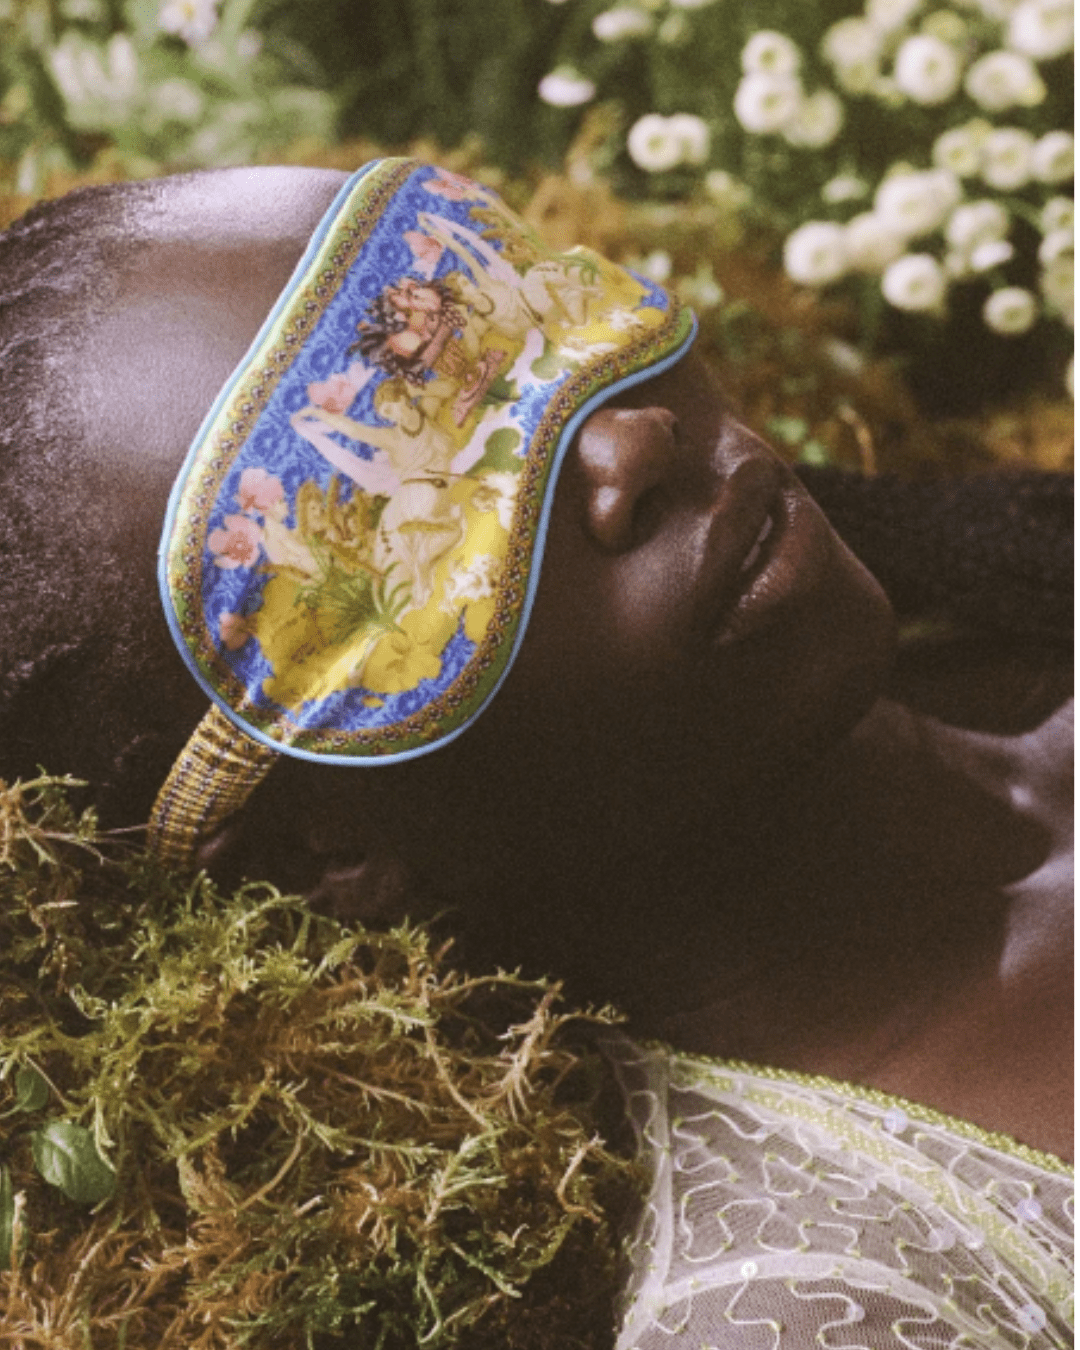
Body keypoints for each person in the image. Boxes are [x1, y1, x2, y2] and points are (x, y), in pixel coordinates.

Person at [0, 162, 1071, 1346]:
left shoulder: (1027, 586)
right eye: (409, 519)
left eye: (518, 308)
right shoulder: (854, 1304)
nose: (630, 440)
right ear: (328, 850)